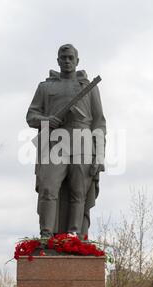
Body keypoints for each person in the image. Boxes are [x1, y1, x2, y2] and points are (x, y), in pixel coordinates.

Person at [26, 44, 106, 238]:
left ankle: (74, 235)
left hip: (84, 142)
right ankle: (46, 235)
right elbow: (31, 116)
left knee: (79, 192)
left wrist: (100, 155)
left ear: (77, 61)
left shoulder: (88, 87)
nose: (67, 61)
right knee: (48, 188)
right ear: (58, 61)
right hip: (54, 143)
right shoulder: (45, 87)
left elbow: (99, 122)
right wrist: (46, 120)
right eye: (64, 58)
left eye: (71, 58)